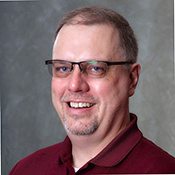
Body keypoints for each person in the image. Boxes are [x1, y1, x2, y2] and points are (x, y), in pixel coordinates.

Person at [9, 6, 175, 175]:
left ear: (132, 79)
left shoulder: (163, 170)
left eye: (95, 68)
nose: (74, 85)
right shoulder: (26, 169)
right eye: (63, 68)